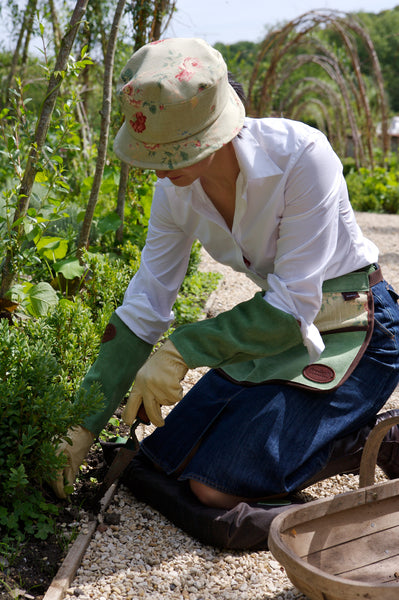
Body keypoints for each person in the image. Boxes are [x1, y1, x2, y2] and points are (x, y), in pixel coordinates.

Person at [52, 38, 399, 511]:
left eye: (169, 154)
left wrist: (182, 349)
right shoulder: (174, 193)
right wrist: (82, 424)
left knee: (214, 486)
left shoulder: (301, 157)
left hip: (358, 325)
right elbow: (146, 304)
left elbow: (294, 303)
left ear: (214, 130)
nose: (157, 171)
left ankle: (369, 439)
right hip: (280, 337)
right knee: (162, 458)